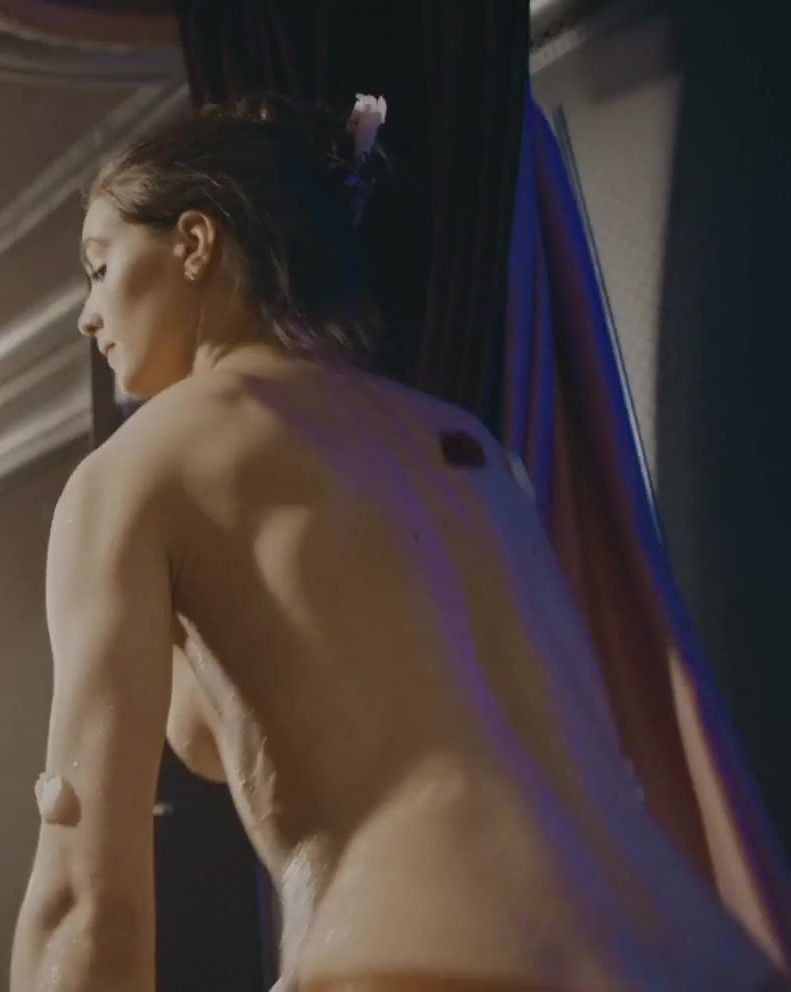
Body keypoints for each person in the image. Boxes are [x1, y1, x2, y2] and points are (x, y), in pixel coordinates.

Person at [10, 91, 789, 992]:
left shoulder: (135, 471)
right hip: (703, 958)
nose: (87, 315)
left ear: (194, 242)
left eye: (100, 266)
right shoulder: (464, 444)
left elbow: (85, 905)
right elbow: (232, 735)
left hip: (437, 964)